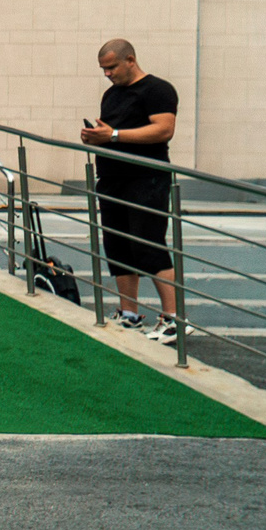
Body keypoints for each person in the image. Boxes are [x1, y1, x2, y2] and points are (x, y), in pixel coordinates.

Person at [80, 39, 183, 344]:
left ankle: (174, 319)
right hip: (112, 179)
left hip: (146, 179)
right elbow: (113, 135)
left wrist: (112, 135)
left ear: (130, 60)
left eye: (111, 67)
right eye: (103, 69)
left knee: (148, 245)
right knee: (118, 246)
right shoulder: (111, 95)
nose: (107, 74)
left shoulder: (158, 89)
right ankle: (129, 314)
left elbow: (164, 129)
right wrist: (96, 137)